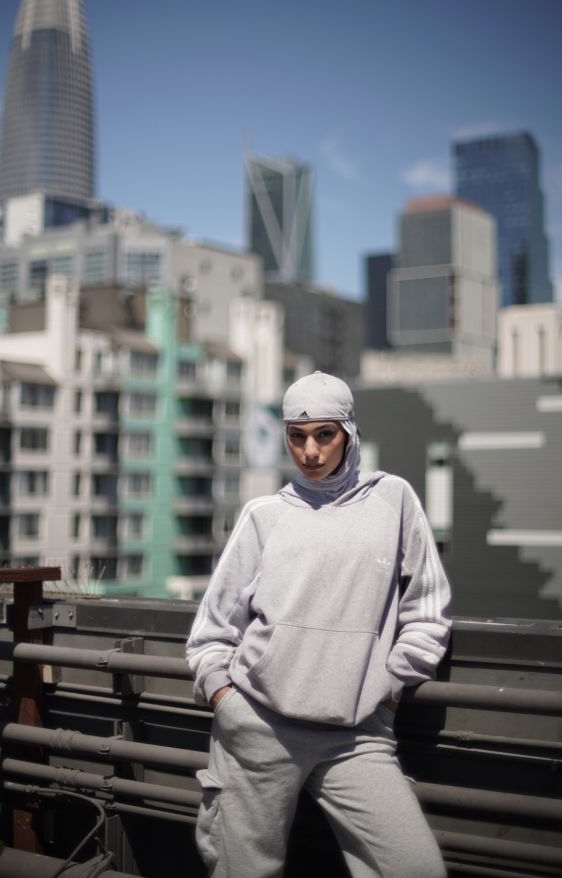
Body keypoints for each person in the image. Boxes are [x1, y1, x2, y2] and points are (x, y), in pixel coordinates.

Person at [186, 371, 451, 878]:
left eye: (324, 434)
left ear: (349, 433)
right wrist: (226, 700)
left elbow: (427, 607)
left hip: (357, 735)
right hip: (258, 727)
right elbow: (212, 631)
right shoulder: (264, 515)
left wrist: (391, 689)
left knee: (414, 866)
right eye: (297, 436)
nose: (310, 451)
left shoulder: (392, 500)